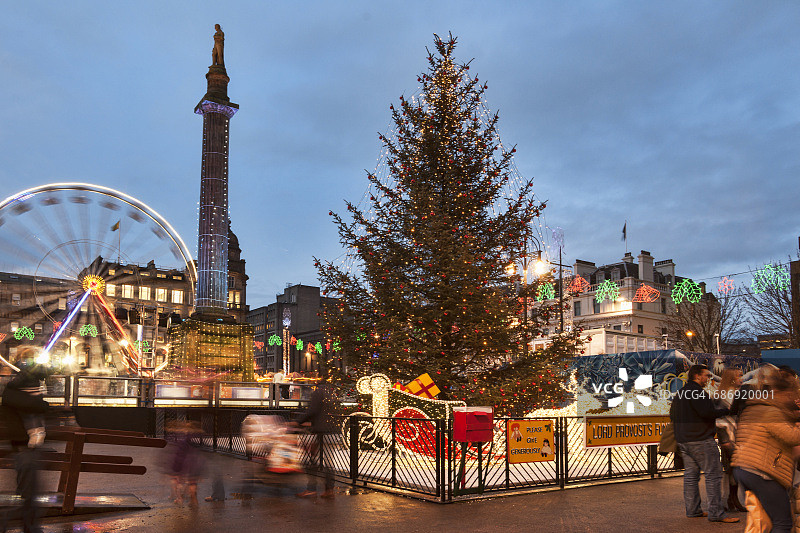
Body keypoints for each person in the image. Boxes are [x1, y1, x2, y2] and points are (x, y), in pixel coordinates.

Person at [670, 364, 738, 523]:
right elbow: (707, 413)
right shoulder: (698, 393)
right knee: (713, 475)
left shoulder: (681, 393)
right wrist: (727, 411)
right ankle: (717, 513)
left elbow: (672, 415)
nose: (709, 378)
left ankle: (693, 510)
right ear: (697, 376)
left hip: (684, 441)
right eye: (707, 375)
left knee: (690, 477)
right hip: (701, 439)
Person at [732, 373, 800, 533]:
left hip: (745, 468)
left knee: (764, 520)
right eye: (790, 394)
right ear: (781, 393)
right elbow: (792, 437)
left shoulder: (755, 407)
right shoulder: (771, 411)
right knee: (782, 522)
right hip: (763, 471)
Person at [295, 381, 336, 498]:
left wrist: (298, 421)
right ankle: (329, 490)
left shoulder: (318, 393)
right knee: (328, 462)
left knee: (311, 461)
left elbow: (312, 411)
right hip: (332, 431)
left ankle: (311, 489)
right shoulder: (332, 394)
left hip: (321, 432)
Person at [713, 367, 746, 512]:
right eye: (739, 376)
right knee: (732, 467)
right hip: (728, 435)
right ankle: (730, 499)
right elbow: (720, 419)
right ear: (731, 379)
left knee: (733, 468)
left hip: (735, 434)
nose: (742, 379)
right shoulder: (724, 395)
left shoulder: (733, 393)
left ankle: (731, 499)